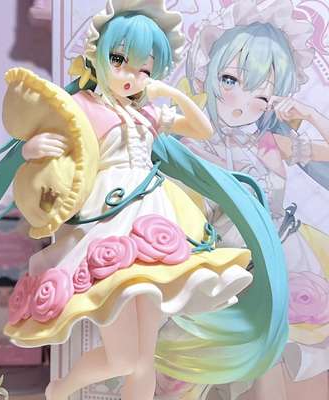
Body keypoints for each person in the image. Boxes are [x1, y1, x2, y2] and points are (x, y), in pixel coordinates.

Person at [0, 1, 288, 400]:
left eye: (144, 69)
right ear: (98, 55)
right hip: (107, 223)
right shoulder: (83, 107)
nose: (130, 75)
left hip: (153, 220)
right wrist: (33, 149)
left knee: (143, 358)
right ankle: (60, 387)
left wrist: (168, 92)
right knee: (125, 358)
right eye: (119, 60)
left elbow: (201, 129)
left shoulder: (147, 115)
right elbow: (48, 145)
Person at [162, 0, 329, 398]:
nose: (240, 102)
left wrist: (308, 114)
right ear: (209, 73)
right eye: (231, 80)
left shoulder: (273, 142)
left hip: (283, 253)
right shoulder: (189, 145)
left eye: (262, 95)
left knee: (286, 355)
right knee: (205, 358)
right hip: (221, 260)